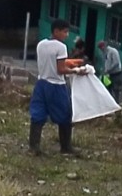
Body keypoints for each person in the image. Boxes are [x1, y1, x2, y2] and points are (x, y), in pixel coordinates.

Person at [29, 19, 89, 157]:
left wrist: (69, 64)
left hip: (41, 82)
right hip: (56, 84)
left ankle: (34, 146)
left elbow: (51, 62)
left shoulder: (41, 44)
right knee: (65, 115)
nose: (67, 35)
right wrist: (76, 71)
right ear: (56, 31)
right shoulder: (61, 47)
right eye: (65, 32)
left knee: (38, 113)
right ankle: (66, 147)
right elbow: (61, 69)